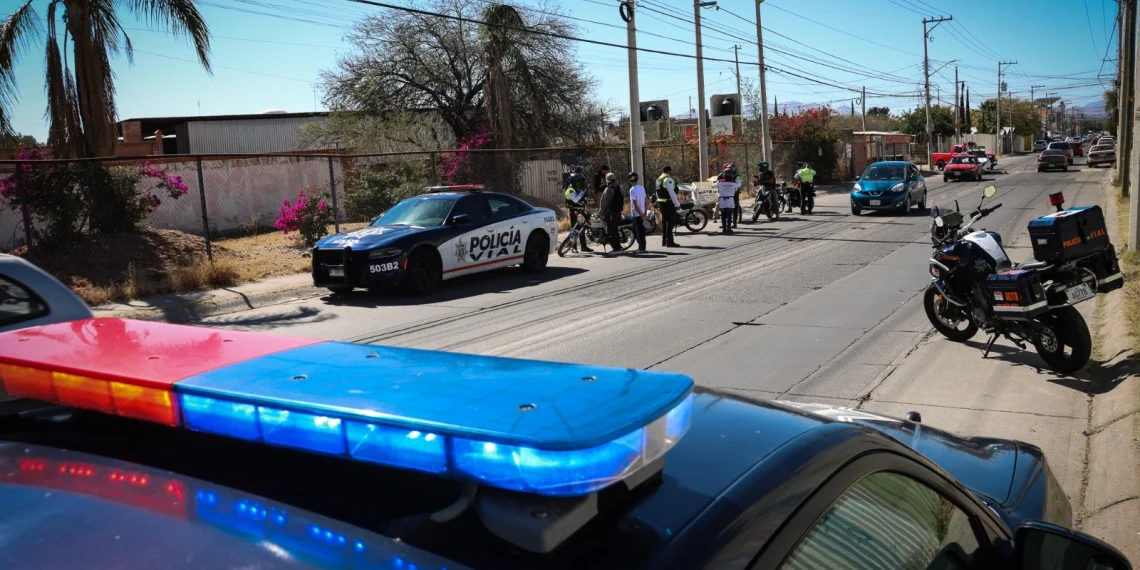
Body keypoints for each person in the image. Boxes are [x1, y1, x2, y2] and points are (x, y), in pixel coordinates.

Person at [563, 172, 592, 253]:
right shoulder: (570, 190)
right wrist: (583, 192)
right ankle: (573, 247)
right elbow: (576, 199)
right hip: (574, 212)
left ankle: (583, 246)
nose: (581, 184)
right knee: (574, 229)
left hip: (581, 211)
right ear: (574, 182)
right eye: (579, 182)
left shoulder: (578, 189)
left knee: (582, 228)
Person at [598, 172, 624, 254]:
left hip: (611, 214)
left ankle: (617, 248)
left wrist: (601, 211)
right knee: (615, 230)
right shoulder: (620, 187)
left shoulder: (608, 189)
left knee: (612, 231)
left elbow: (604, 203)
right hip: (618, 212)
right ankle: (618, 247)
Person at [655, 165, 681, 247]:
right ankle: (670, 242)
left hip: (661, 203)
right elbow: (672, 193)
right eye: (671, 171)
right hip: (668, 203)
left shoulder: (658, 179)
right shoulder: (668, 179)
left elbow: (657, 192)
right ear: (669, 171)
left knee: (664, 222)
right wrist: (677, 204)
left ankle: (664, 241)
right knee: (670, 223)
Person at [716, 164, 741, 235]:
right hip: (730, 194)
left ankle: (734, 223)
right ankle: (727, 227)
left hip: (733, 194)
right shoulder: (722, 175)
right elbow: (718, 179)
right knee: (727, 212)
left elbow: (739, 183)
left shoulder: (737, 176)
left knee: (735, 208)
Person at [627, 172, 647, 253]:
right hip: (643, 212)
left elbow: (635, 203)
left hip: (637, 214)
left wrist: (640, 213)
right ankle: (643, 246)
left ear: (629, 180)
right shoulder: (642, 188)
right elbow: (645, 200)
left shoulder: (632, 190)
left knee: (638, 231)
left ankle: (641, 248)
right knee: (642, 231)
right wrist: (645, 211)